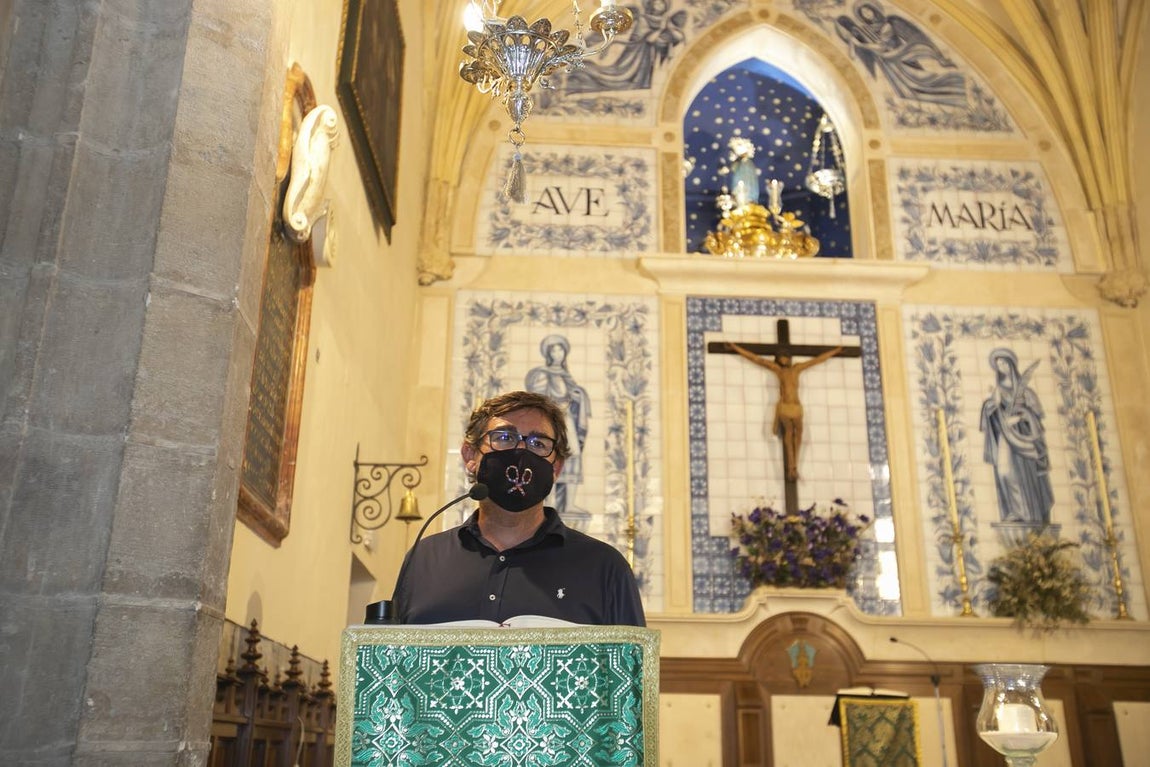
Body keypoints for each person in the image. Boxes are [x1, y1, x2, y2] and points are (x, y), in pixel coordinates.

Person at [394, 390, 645, 626]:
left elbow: (633, 670)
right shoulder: (424, 559)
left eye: (538, 443)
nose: (522, 451)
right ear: (470, 456)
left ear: (556, 468)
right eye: (504, 438)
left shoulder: (604, 567)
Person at [726, 341, 842, 481]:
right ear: (778, 360)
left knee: (799, 434)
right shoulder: (777, 370)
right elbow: (756, 359)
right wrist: (735, 348)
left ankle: (794, 466)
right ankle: (791, 467)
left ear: (789, 358)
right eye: (780, 357)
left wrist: (835, 351)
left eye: (785, 356)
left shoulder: (797, 368)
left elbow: (817, 360)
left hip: (797, 407)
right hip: (785, 407)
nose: (783, 359)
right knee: (788, 434)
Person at [980, 348, 1054, 525]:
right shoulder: (998, 390)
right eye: (998, 365)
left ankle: (1030, 514)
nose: (1001, 367)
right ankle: (1015, 511)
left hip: (1025, 438)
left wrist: (1020, 417)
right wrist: (991, 406)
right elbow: (991, 411)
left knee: (1026, 474)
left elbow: (1036, 418)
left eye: (1004, 363)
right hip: (1006, 437)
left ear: (1011, 365)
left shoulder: (1026, 392)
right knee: (1005, 472)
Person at [525, 334, 591, 523]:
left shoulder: (566, 375)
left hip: (567, 420)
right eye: (553, 349)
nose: (557, 353)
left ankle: (569, 503)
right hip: (550, 422)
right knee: (548, 457)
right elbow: (537, 399)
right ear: (548, 353)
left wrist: (578, 397)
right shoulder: (543, 374)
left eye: (560, 349)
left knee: (573, 456)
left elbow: (572, 398)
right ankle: (549, 501)